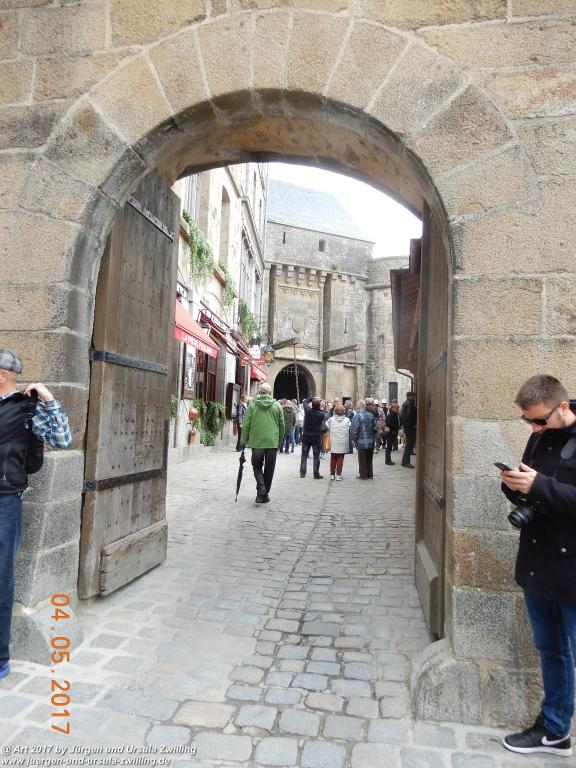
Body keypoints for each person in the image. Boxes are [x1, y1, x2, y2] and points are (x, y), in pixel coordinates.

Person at [500, 374, 576, 757]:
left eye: (540, 420)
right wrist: (513, 484)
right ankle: (555, 728)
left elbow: (552, 490)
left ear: (563, 406)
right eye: (529, 422)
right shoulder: (540, 435)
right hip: (537, 562)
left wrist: (539, 487)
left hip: (572, 569)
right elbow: (532, 485)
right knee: (550, 651)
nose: (535, 428)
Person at [0, 349, 72, 681]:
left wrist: (49, 399)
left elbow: (62, 439)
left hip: (5, 502)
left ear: (2, 375)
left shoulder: (27, 409)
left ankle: (1, 657)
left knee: (2, 577)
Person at [240, 382, 284, 504]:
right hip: (272, 442)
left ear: (259, 392)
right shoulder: (277, 406)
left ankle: (261, 488)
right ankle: (264, 494)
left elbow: (246, 423)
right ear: (270, 393)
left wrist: (243, 440)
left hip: (257, 441)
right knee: (270, 469)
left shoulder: (253, 405)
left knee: (257, 466)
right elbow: (282, 425)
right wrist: (279, 442)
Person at [350, 399, 377, 479]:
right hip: (370, 440)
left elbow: (354, 429)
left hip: (361, 441)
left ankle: (363, 475)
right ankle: (370, 474)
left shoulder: (357, 416)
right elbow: (375, 428)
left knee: (362, 459)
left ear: (359, 406)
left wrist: (354, 439)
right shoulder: (371, 415)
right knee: (369, 458)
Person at [300, 397, 326, 480]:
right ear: (319, 405)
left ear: (312, 405)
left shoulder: (308, 411)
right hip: (316, 437)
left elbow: (305, 402)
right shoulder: (322, 414)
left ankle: (302, 472)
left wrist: (312, 398)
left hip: (307, 436)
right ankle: (316, 474)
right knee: (316, 456)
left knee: (304, 455)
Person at [326, 404, 351, 480]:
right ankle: (339, 475)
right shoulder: (347, 420)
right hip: (343, 441)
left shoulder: (331, 419)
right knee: (340, 458)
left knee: (333, 458)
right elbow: (350, 426)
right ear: (343, 412)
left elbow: (326, 425)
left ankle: (332, 474)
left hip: (333, 441)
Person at [401, 391, 417, 468]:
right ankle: (406, 462)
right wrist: (413, 424)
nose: (415, 398)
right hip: (410, 427)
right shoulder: (410, 403)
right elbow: (409, 415)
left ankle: (404, 461)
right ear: (412, 396)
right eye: (414, 396)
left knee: (409, 444)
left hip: (407, 426)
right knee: (409, 444)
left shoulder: (405, 403)